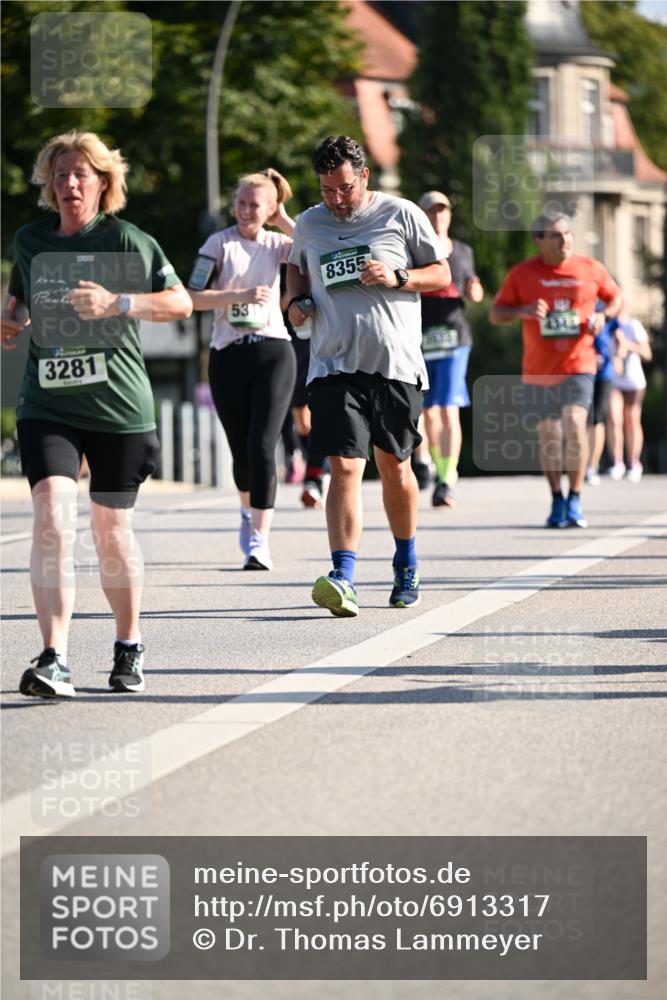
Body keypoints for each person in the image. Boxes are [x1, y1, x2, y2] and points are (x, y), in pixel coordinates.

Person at [1, 130, 192, 698]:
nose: (68, 184)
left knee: (110, 533)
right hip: (48, 404)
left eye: (80, 174)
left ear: (103, 182)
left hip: (117, 409)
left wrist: (118, 303)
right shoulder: (31, 240)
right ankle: (54, 655)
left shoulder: (126, 241)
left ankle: (128, 643)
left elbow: (179, 302)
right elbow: (19, 303)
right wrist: (11, 322)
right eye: (59, 175)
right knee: (53, 522)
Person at [287, 135, 450, 617]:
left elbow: (440, 274)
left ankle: (406, 560)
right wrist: (292, 305)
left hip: (394, 363)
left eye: (343, 189)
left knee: (394, 467)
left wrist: (399, 277)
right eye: (325, 190)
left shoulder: (401, 214)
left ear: (363, 177)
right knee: (343, 465)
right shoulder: (309, 223)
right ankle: (344, 575)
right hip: (334, 363)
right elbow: (296, 270)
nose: (335, 200)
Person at [188, 169, 296, 570]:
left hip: (273, 350)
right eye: (241, 203)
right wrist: (239, 294)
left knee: (263, 444)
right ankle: (248, 512)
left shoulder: (276, 242)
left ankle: (259, 539)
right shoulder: (218, 244)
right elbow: (191, 296)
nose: (247, 210)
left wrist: (284, 218)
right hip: (228, 353)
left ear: (269, 209)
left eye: (256, 204)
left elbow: (315, 248)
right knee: (241, 451)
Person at [489, 211, 621, 528]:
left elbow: (615, 298)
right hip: (538, 369)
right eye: (556, 235)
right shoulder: (522, 274)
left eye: (568, 233)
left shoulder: (590, 268)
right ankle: (556, 499)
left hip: (579, 363)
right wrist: (522, 310)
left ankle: (575, 498)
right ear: (539, 241)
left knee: (575, 426)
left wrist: (604, 316)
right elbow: (495, 313)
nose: (566, 240)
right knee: (549, 435)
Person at [414, 190, 483, 508]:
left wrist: (474, 290)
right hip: (421, 337)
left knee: (448, 408)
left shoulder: (463, 251)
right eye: (431, 211)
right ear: (422, 215)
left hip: (455, 338)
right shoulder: (413, 249)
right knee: (428, 411)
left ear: (450, 215)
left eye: (442, 211)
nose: (438, 216)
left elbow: (475, 290)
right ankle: (427, 463)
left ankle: (446, 479)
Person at [606, 313, 652, 482]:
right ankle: (617, 462)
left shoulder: (633, 325)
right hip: (614, 380)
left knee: (631, 419)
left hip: (634, 380)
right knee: (614, 419)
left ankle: (634, 462)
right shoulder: (605, 325)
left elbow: (647, 354)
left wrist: (627, 345)